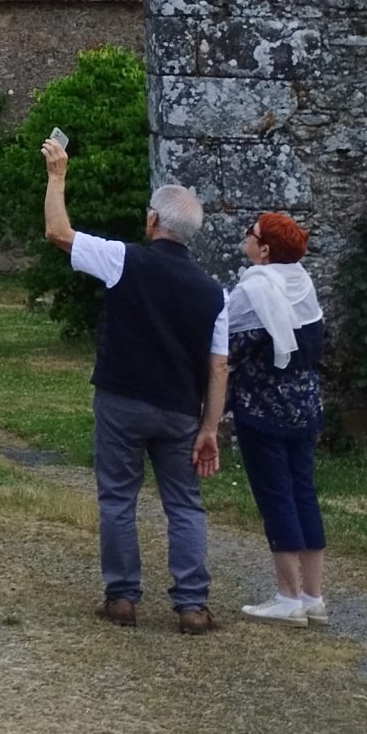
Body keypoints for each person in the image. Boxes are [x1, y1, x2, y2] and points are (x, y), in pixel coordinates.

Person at [43, 137, 229, 634]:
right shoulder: (215, 294)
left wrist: (58, 176)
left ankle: (122, 596)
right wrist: (209, 427)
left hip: (122, 399)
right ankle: (192, 604)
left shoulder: (125, 260)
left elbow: (58, 232)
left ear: (153, 222)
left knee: (118, 499)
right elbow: (217, 368)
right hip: (179, 410)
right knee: (184, 505)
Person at [225, 211, 328, 626]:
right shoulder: (302, 284)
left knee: (276, 495)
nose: (246, 238)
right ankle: (313, 596)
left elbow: (227, 345)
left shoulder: (256, 290)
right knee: (303, 491)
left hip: (263, 409)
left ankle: (288, 597)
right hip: (305, 405)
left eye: (251, 234)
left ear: (264, 251)